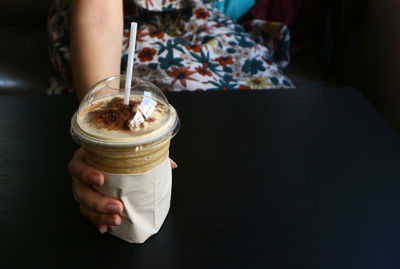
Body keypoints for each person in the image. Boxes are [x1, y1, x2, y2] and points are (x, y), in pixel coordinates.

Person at [50, 0, 294, 234]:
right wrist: (101, 145)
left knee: (271, 96)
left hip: (197, 20)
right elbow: (100, 16)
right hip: (122, 22)